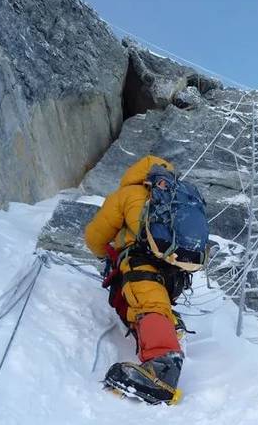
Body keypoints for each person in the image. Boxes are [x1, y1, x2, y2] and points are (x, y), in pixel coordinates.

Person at [85, 155, 202, 405]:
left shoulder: (127, 194)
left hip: (141, 262)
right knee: (145, 304)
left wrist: (102, 251)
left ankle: (162, 368)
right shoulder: (176, 197)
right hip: (175, 272)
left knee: (147, 305)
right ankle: (169, 327)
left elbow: (96, 236)